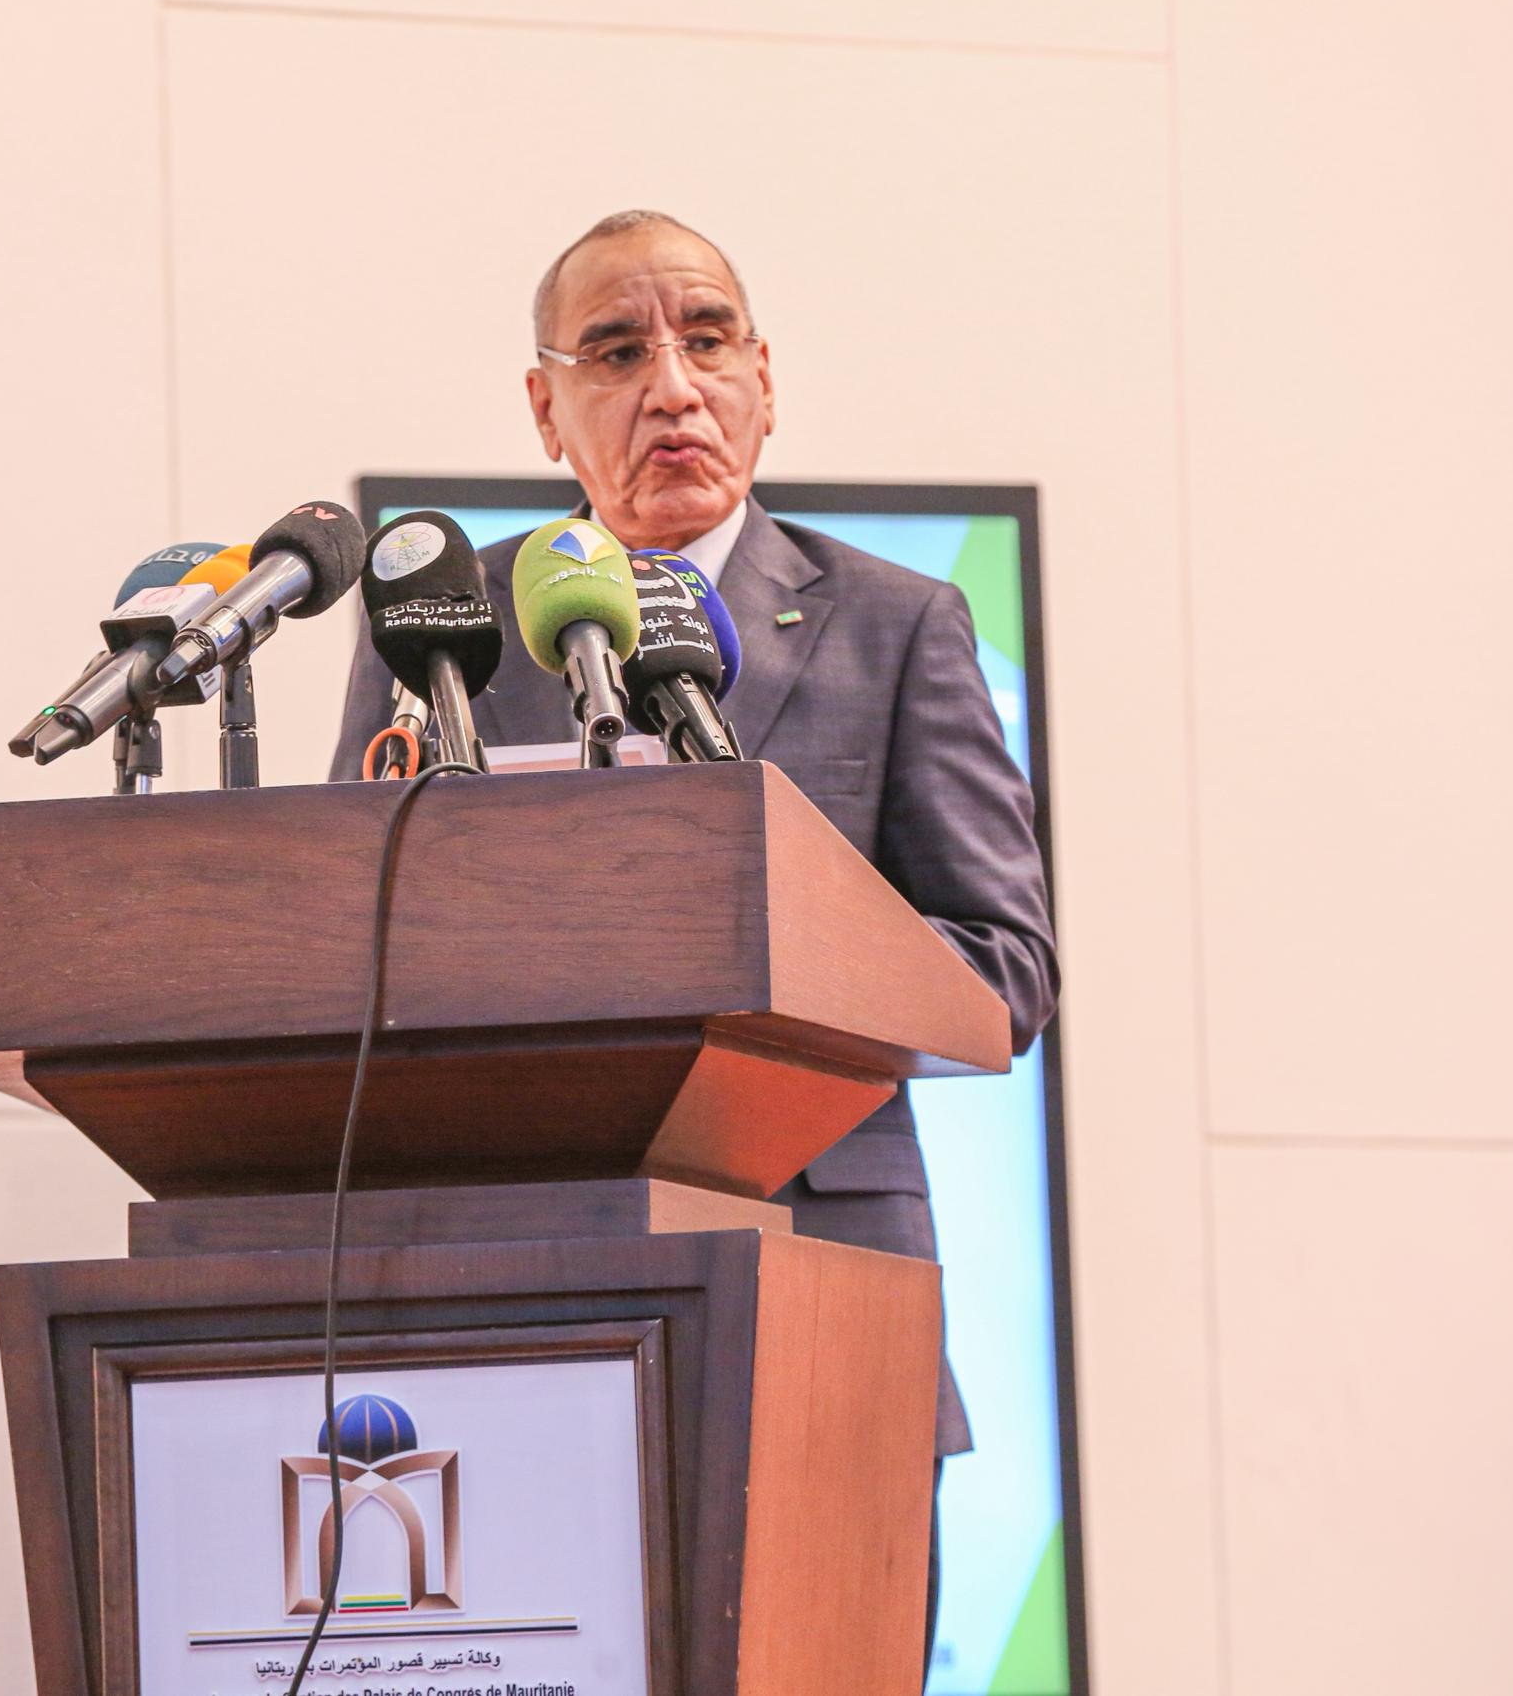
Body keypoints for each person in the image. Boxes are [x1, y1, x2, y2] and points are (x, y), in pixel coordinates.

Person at [327, 209, 1059, 1676]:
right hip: (510, 1286)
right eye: (615, 350)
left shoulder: (895, 626)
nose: (672, 385)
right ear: (546, 407)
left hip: (823, 1292)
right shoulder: (445, 634)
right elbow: (354, 940)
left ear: (763, 379)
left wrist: (771, 950)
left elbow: (1002, 970)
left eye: (707, 339)